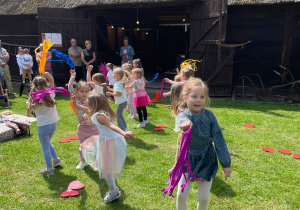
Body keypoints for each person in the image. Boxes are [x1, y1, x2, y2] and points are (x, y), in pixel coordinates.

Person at [174, 77, 232, 210]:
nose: (198, 100)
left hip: (207, 159)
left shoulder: (210, 116)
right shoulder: (185, 115)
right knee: (181, 195)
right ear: (185, 97)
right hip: (188, 160)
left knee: (203, 198)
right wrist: (184, 124)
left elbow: (219, 139)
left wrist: (226, 163)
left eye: (202, 96)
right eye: (194, 96)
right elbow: (181, 120)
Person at [73, 93, 133, 203]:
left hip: (108, 143)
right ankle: (113, 187)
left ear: (93, 106)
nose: (87, 108)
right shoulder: (101, 112)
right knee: (107, 167)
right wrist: (74, 104)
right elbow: (84, 109)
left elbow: (111, 126)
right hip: (111, 140)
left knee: (106, 169)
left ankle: (113, 191)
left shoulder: (99, 116)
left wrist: (124, 133)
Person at [26, 72, 62, 175]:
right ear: (46, 84)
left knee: (45, 146)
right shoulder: (51, 93)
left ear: (34, 86)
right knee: (47, 143)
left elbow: (28, 111)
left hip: (43, 126)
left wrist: (27, 120)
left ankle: (49, 169)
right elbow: (52, 81)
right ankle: (56, 160)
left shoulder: (33, 98)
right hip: (53, 124)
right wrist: (46, 74)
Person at [68, 70, 99, 170]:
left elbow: (93, 109)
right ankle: (83, 161)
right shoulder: (76, 99)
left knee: (96, 146)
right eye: (81, 91)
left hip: (94, 127)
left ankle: (96, 163)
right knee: (83, 146)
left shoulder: (91, 99)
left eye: (86, 91)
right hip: (82, 128)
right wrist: (73, 76)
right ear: (77, 92)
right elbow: (69, 87)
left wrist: (87, 113)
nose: (84, 93)